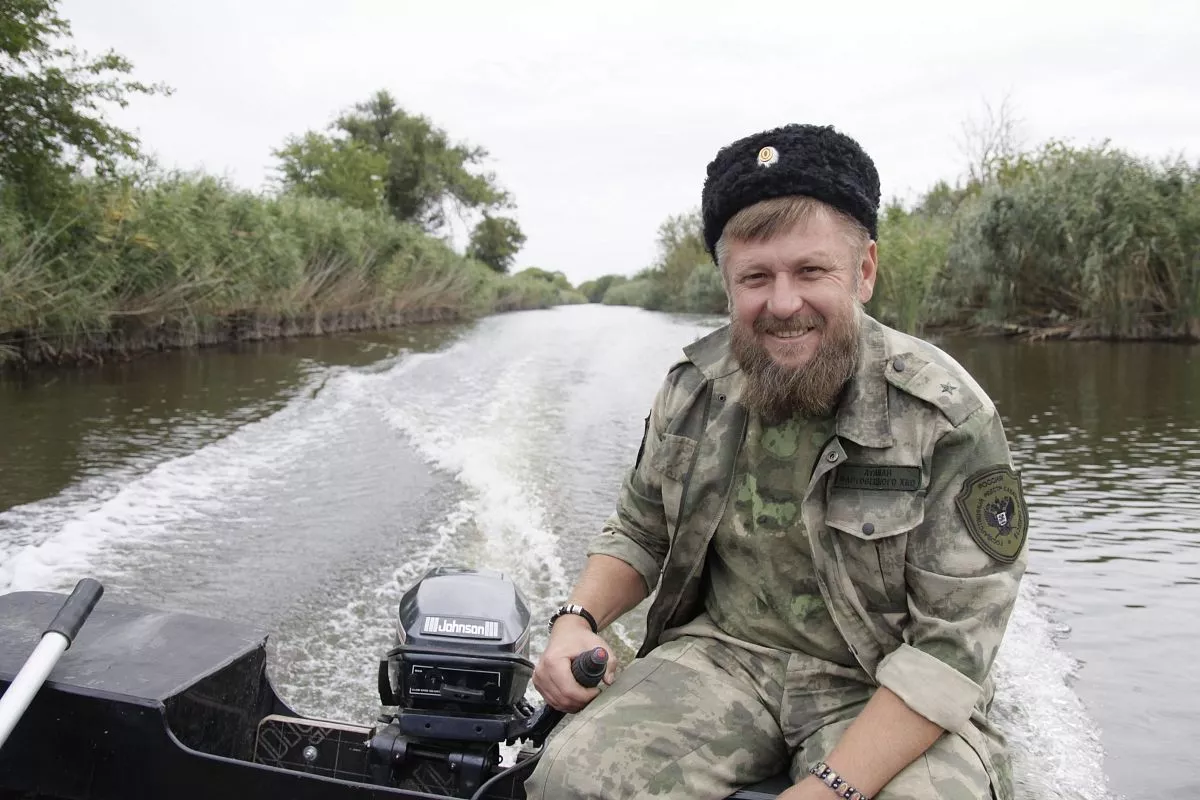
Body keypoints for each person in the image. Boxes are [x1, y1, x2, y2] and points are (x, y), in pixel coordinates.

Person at [525, 124, 1028, 800]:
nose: (783, 304)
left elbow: (950, 649)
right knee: (568, 778)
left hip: (885, 684)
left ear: (865, 271)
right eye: (756, 278)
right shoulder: (693, 388)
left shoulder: (947, 417)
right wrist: (575, 620)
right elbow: (640, 532)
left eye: (811, 271)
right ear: (727, 286)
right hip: (725, 659)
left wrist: (827, 790)